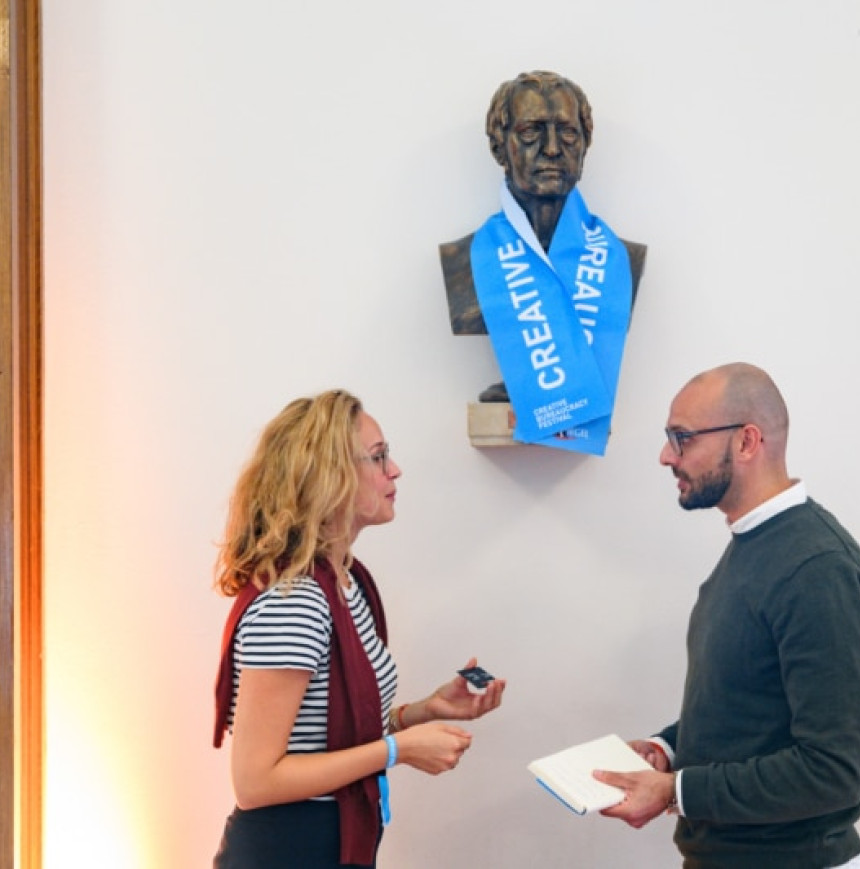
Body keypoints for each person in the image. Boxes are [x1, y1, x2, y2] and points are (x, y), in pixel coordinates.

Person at [596, 363, 860, 869]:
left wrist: (677, 790)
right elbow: (749, 708)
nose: (667, 456)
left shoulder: (818, 569)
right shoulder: (756, 547)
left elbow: (833, 771)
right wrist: (668, 749)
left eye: (681, 438)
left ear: (748, 442)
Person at [211, 389, 506, 868]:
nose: (395, 470)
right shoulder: (297, 603)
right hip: (287, 852)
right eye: (378, 457)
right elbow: (255, 782)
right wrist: (397, 750)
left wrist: (421, 713)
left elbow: (328, 735)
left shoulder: (347, 582)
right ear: (328, 479)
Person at [439, 70, 646, 405]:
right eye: (531, 132)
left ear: (585, 146)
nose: (552, 149)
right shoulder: (461, 264)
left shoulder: (623, 262)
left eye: (567, 133)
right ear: (499, 148)